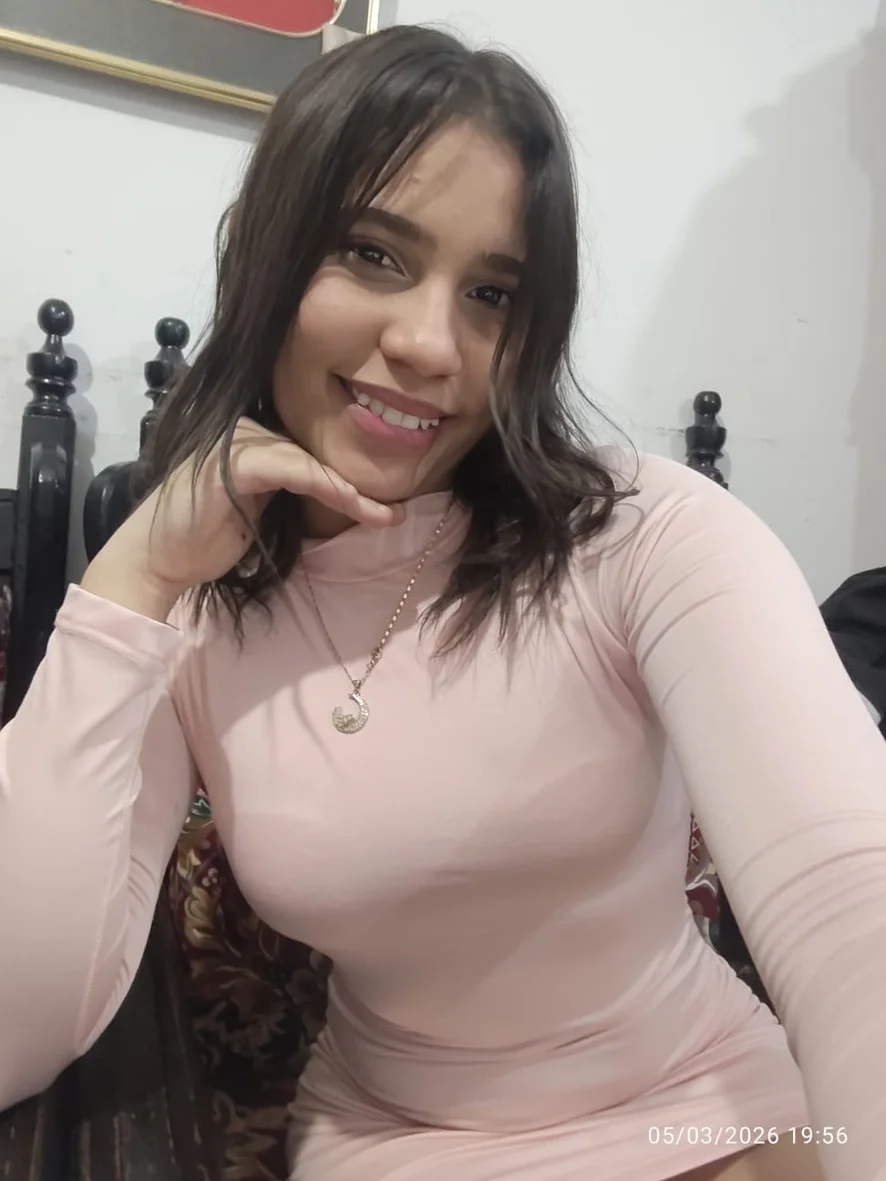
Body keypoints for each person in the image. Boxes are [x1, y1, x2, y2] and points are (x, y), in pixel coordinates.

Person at [1, 24, 884, 1181]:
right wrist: (130, 584)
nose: (429, 344)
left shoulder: (642, 535)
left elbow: (847, 889)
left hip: (705, 1111)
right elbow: (18, 1024)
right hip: (397, 1142)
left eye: (493, 294)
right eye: (372, 253)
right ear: (265, 253)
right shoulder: (197, 603)